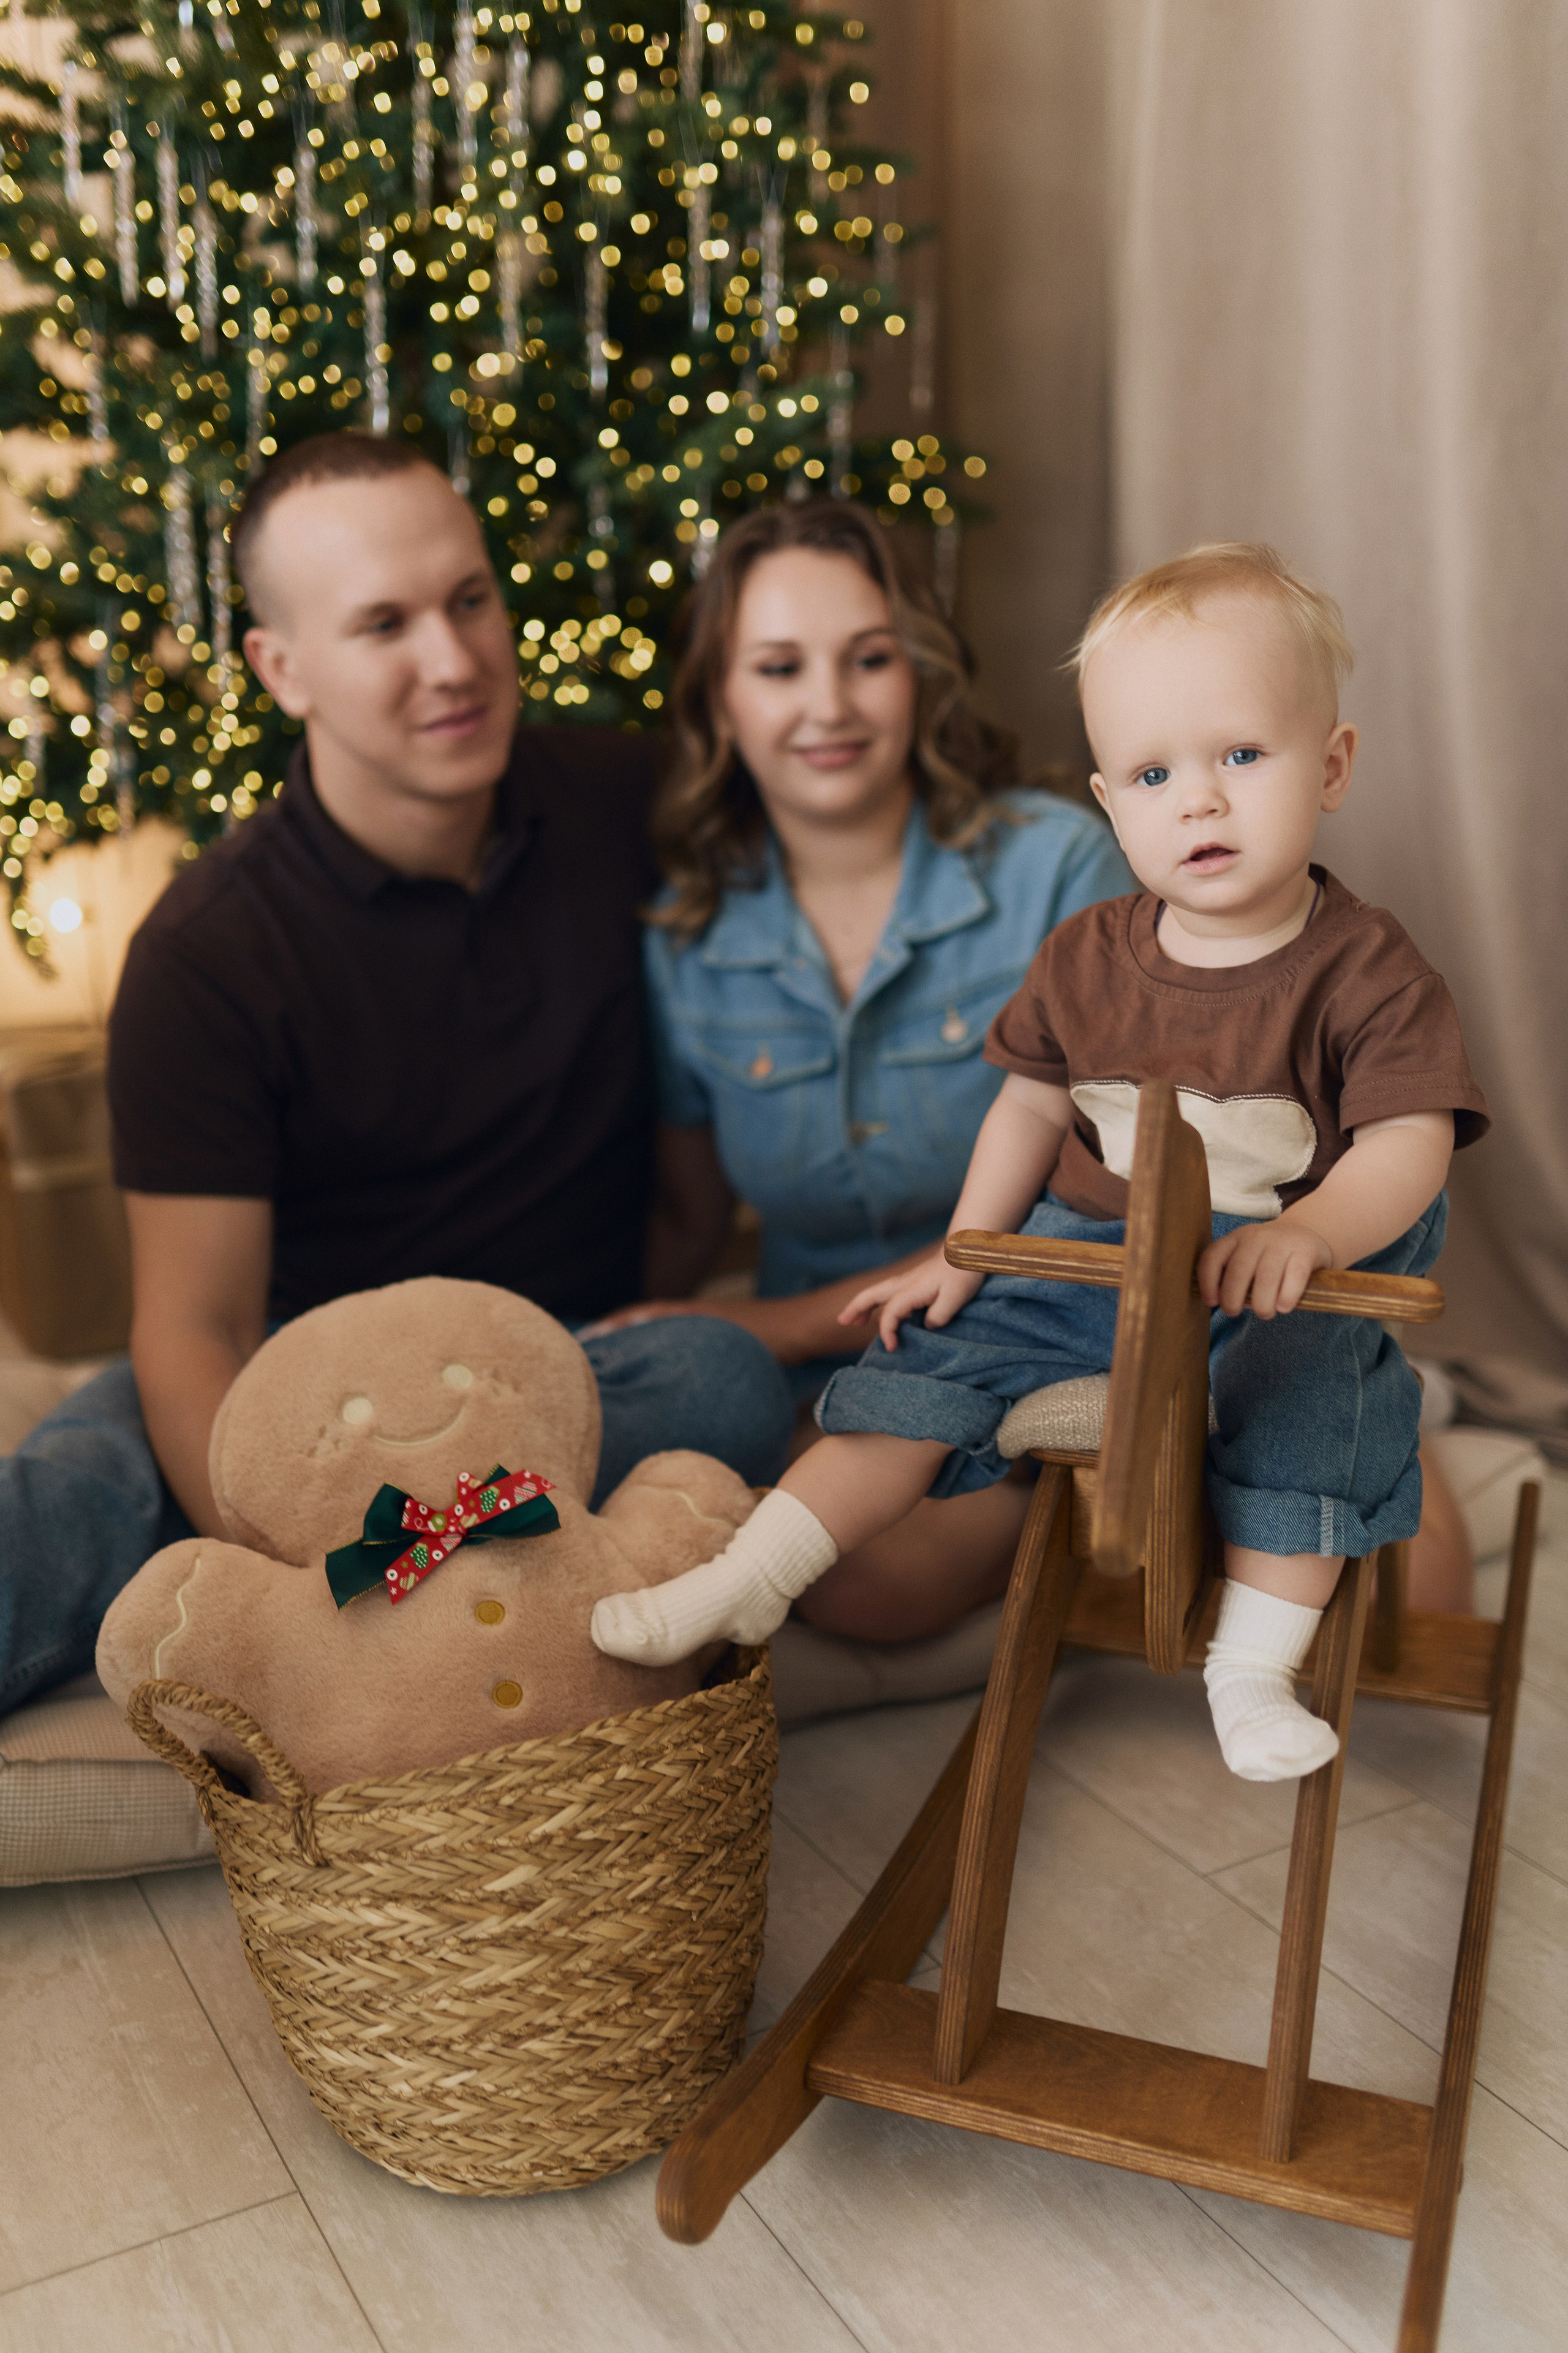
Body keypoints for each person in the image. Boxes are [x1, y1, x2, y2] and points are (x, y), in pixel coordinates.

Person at [590, 543, 1490, 1782]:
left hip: (1271, 1282)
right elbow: (1023, 1108)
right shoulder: (1084, 951)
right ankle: (746, 1577)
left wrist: (1313, 1235)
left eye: (1240, 756)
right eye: (1154, 774)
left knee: (1316, 1422)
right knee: (925, 1371)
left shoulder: (1367, 970)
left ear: (1329, 764)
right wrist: (965, 1256)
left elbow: (1407, 1141)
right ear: (1110, 800)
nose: (1201, 803)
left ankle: (1248, 1669)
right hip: (1084, 1265)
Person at [0, 432, 791, 1719]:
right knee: (81, 1480)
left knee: (718, 1380)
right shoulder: (208, 952)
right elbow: (195, 1327)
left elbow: (863, 812)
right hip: (299, 1410)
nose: (454, 661)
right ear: (283, 667)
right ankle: (399, 1587)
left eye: (468, 599)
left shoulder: (627, 800)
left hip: (554, 1387)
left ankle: (423, 1578)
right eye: (384, 624)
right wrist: (303, 1567)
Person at [586, 499, 1133, 1641]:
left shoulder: (1056, 868)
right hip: (827, 1369)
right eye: (779, 668)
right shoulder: (688, 936)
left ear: (920, 675)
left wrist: (775, 1326)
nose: (827, 706)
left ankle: (1102, 1500)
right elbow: (690, 1214)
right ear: (722, 703)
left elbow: (1104, 1198)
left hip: (1042, 1328)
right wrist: (635, 1337)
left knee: (861, 1587)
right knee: (677, 1511)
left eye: (868, 659)